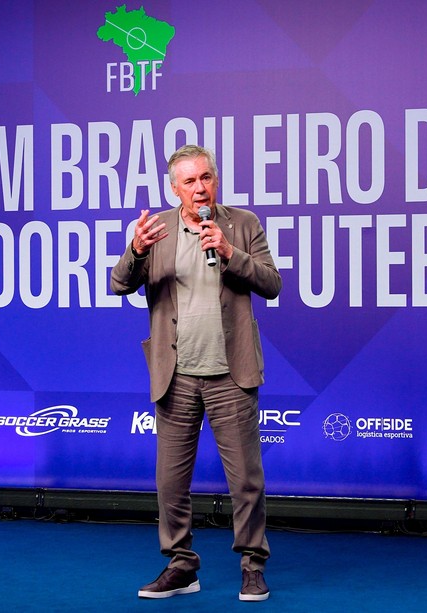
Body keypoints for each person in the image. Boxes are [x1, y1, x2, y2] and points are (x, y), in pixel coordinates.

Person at [111, 145, 282, 601]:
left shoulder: (241, 224)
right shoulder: (154, 230)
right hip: (176, 373)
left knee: (246, 479)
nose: (200, 187)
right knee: (170, 480)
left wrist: (229, 252)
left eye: (206, 177)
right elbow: (119, 283)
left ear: (215, 179)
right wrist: (135, 251)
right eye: (189, 181)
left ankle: (252, 565)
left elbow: (272, 283)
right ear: (174, 188)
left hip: (231, 371)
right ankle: (181, 565)